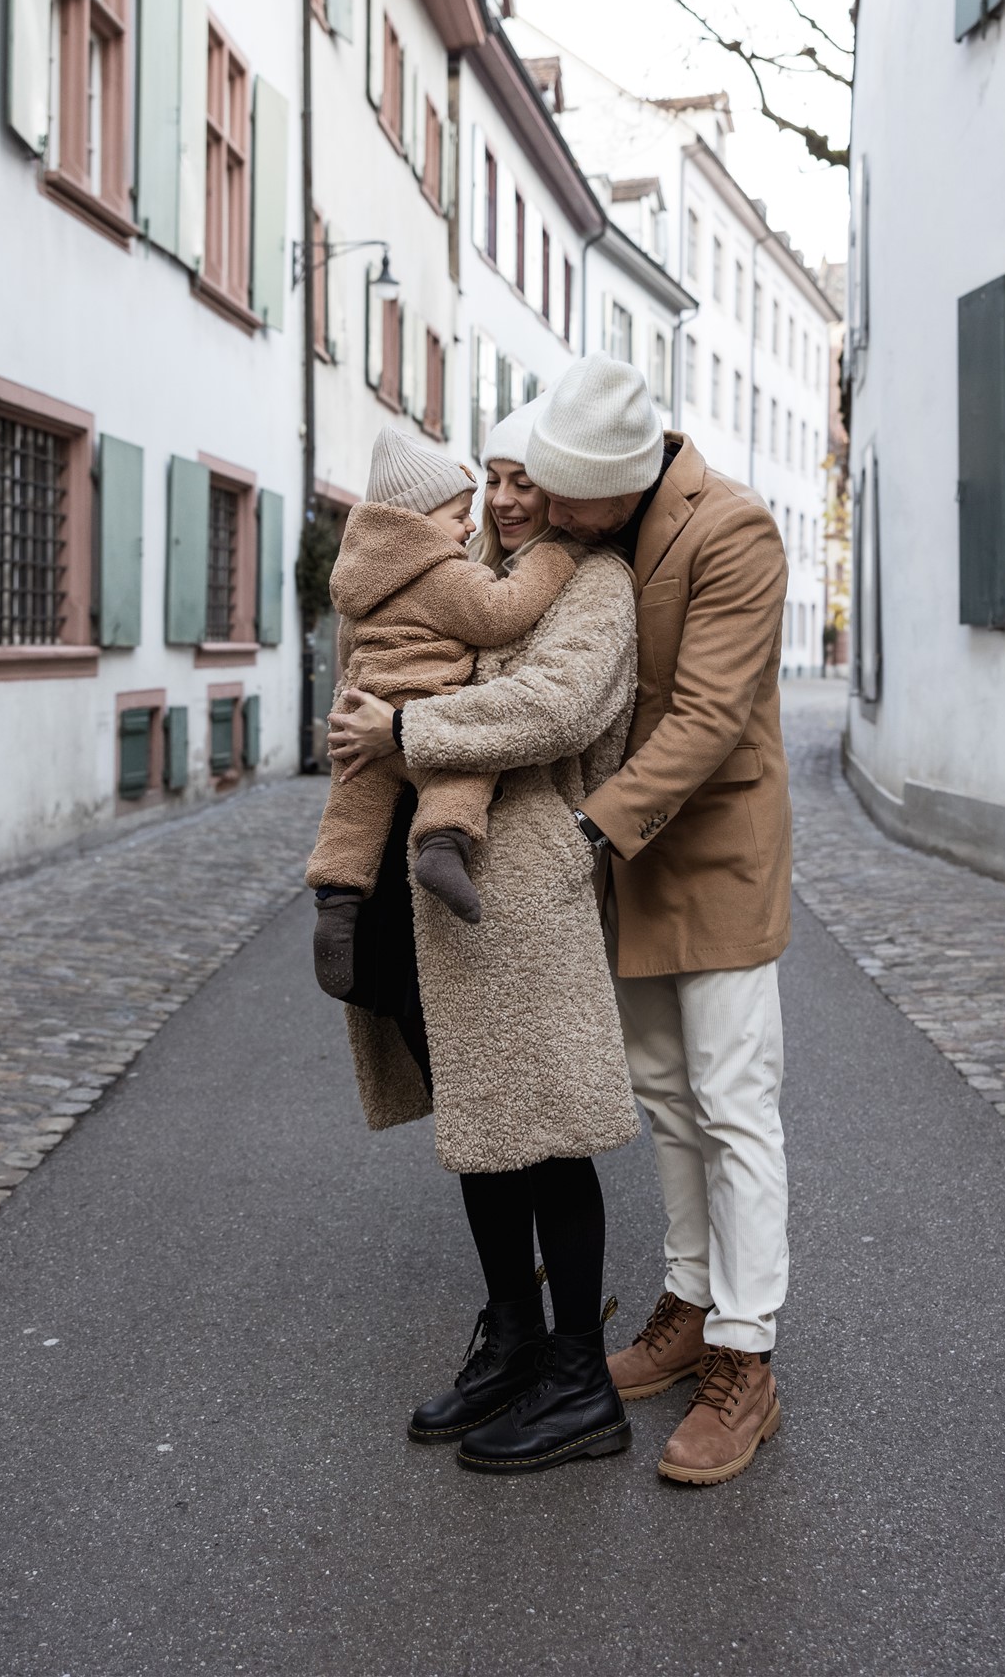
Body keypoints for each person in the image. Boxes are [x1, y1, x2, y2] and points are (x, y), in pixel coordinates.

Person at [322, 395, 642, 1475]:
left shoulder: (590, 584)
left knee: (546, 1129)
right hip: (419, 883)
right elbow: (376, 662)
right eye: (492, 476)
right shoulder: (454, 572)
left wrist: (403, 727)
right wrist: (366, 711)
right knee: (479, 1118)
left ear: (562, 484)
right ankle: (510, 1337)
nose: (504, 499)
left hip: (519, 887)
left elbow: (555, 707)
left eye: (525, 479)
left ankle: (579, 1378)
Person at [522, 353, 791, 1489]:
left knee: (735, 1105)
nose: (538, 505)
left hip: (714, 852)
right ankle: (688, 1300)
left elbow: (710, 716)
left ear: (622, 481)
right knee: (668, 1097)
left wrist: (586, 827)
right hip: (630, 858)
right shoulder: (591, 534)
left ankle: (746, 1352)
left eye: (560, 492)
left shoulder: (735, 531)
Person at [304, 425, 576, 995]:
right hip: (430, 713)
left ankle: (336, 903)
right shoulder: (439, 573)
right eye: (459, 514)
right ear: (417, 523)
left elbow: (347, 656)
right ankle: (443, 847)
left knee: (351, 817)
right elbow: (501, 612)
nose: (472, 524)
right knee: (464, 772)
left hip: (363, 715)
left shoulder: (358, 587)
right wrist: (550, 562)